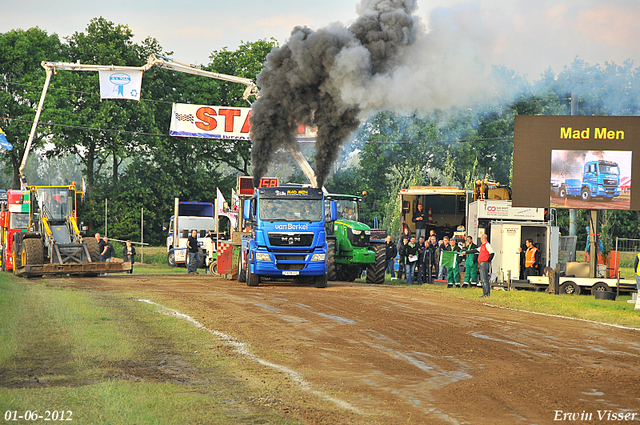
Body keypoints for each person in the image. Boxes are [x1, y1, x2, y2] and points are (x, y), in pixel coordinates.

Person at [466, 234, 495, 298]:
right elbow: (475, 250)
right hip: (482, 263)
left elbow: (492, 253)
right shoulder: (482, 246)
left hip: (484, 263)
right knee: (483, 279)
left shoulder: (487, 245)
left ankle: (486, 294)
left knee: (484, 279)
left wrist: (488, 261)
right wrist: (466, 252)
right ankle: (485, 293)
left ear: (483, 239)